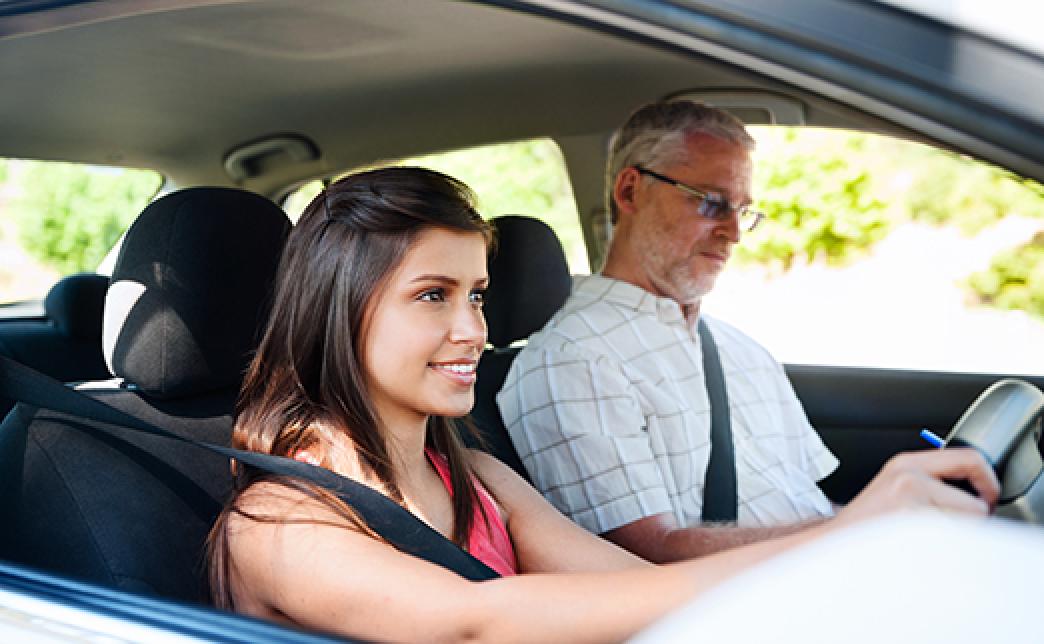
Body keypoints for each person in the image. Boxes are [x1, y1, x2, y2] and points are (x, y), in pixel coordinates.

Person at [207, 166, 997, 642]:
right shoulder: (277, 523)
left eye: (476, 294)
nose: (473, 329)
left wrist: (856, 561)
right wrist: (851, 534)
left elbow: (632, 590)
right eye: (432, 295)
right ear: (339, 314)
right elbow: (476, 624)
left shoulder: (477, 477)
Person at [497, 100, 841, 561]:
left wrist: (892, 524)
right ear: (631, 191)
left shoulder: (741, 349)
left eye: (743, 211)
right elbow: (645, 556)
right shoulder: (573, 358)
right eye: (712, 203)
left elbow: (805, 502)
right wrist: (851, 530)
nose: (734, 232)